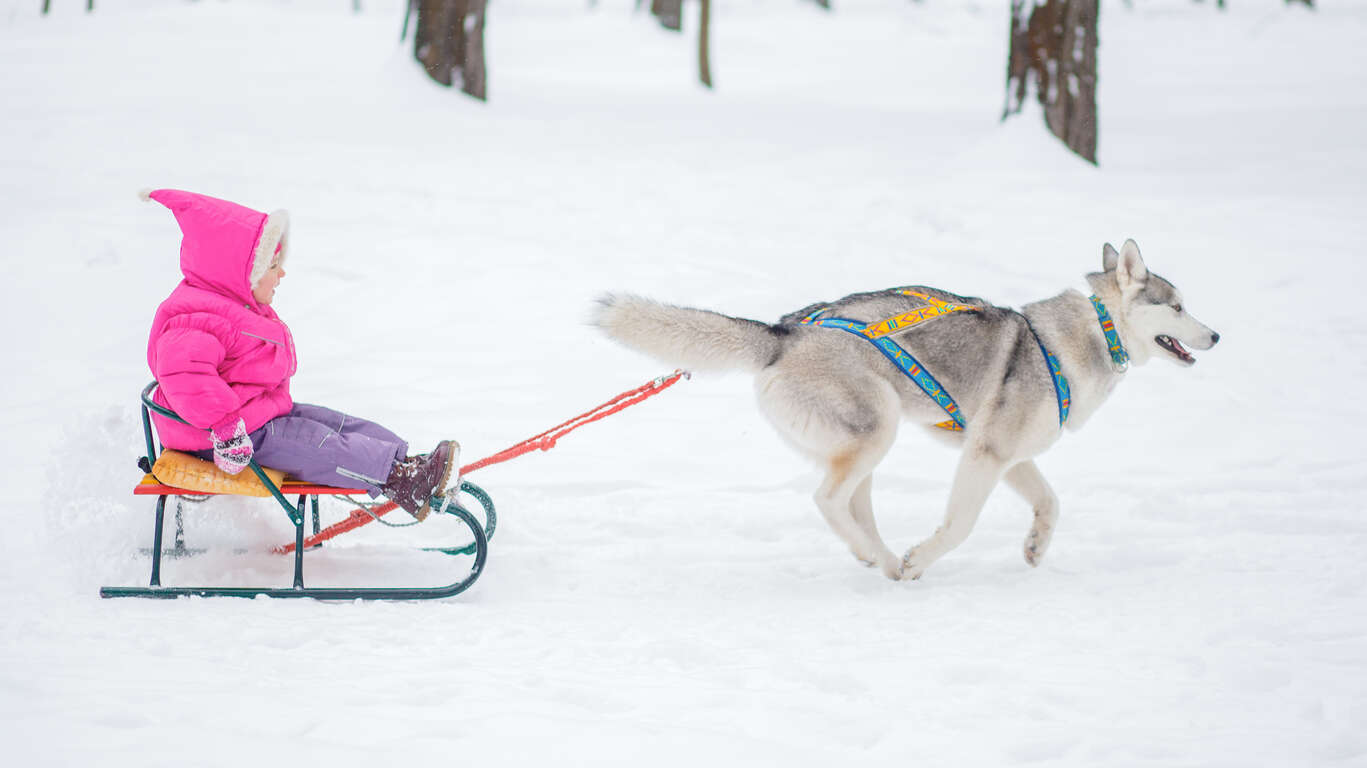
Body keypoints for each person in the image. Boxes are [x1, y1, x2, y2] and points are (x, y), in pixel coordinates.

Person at [142, 188, 456, 520]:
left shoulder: (227, 306)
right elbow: (186, 378)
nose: (281, 275)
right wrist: (226, 429)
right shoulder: (195, 319)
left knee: (332, 424)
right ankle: (399, 480)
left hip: (254, 418)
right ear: (238, 274)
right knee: (315, 445)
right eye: (272, 266)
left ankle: (401, 461)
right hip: (219, 438)